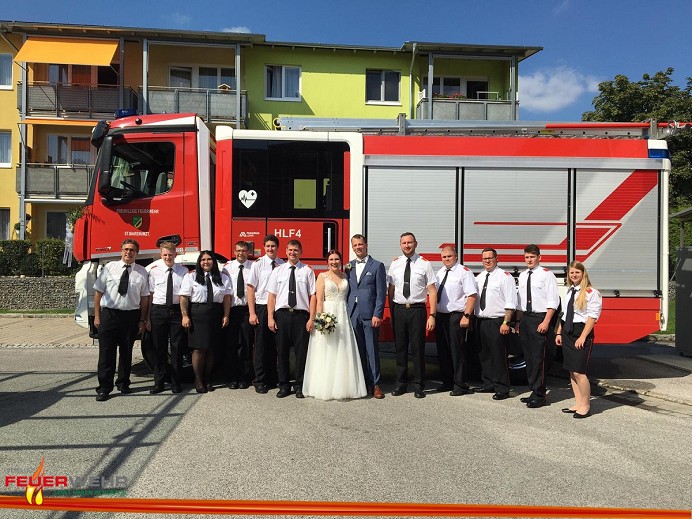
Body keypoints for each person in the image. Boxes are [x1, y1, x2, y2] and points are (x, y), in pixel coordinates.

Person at [304, 250, 368, 400]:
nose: (334, 262)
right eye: (331, 259)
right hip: (328, 313)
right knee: (327, 348)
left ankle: (344, 386)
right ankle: (325, 386)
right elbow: (319, 299)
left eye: (337, 259)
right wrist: (320, 319)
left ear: (341, 261)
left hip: (343, 314)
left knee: (344, 348)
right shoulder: (322, 277)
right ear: (327, 262)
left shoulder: (347, 275)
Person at [93, 239, 150, 402]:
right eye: (125, 249)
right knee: (106, 353)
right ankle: (104, 387)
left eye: (132, 250)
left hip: (130, 316)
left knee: (126, 352)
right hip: (110, 315)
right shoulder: (109, 268)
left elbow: (145, 298)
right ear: (121, 251)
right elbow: (98, 293)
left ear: (136, 253)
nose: (128, 252)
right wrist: (97, 316)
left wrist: (142, 320)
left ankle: (123, 383)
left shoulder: (142, 272)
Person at [387, 232, 437, 399]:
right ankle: (401, 383)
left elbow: (432, 291)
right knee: (400, 348)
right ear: (400, 245)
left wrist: (432, 315)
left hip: (417, 309)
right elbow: (391, 290)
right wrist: (392, 312)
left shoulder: (425, 264)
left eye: (410, 242)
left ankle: (418, 384)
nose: (407, 245)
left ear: (416, 244)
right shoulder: (395, 264)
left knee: (417, 348)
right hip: (399, 309)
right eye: (404, 243)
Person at [267, 239, 316, 398]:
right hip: (282, 316)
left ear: (301, 252)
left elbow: (313, 296)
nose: (293, 253)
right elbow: (272, 296)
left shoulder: (307, 271)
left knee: (302, 353)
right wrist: (270, 318)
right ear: (286, 252)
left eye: (296, 250)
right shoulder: (278, 271)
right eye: (290, 250)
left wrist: (311, 318)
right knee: (282, 352)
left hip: (301, 316)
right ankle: (284, 385)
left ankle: (300, 385)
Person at [179, 251, 231, 393]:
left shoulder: (223, 277)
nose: (206, 262)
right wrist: (185, 316)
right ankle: (198, 379)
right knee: (199, 349)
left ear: (213, 261)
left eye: (209, 259)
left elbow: (227, 298)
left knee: (211, 348)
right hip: (197, 314)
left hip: (215, 314)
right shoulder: (191, 276)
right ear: (199, 262)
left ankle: (208, 379)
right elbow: (184, 297)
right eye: (203, 260)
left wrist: (226, 315)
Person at [555, 261, 602, 419]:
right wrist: (559, 333)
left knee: (579, 372)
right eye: (571, 273)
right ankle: (578, 403)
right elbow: (565, 315)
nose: (574, 275)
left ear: (583, 274)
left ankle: (586, 405)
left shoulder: (591, 292)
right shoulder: (570, 291)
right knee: (571, 370)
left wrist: (582, 337)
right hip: (568, 332)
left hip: (581, 332)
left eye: (577, 272)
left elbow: (592, 317)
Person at [516, 244, 559, 408]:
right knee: (528, 357)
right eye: (527, 257)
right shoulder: (523, 275)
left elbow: (552, 300)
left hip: (540, 318)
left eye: (532, 257)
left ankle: (540, 395)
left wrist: (546, 321)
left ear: (539, 258)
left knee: (538, 358)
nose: (529, 260)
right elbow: (520, 302)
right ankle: (534, 390)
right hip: (526, 318)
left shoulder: (547, 275)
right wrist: (519, 321)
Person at [346, 234, 387, 399]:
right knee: (358, 350)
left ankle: (376, 384)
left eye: (360, 244)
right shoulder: (349, 267)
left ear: (366, 245)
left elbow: (380, 293)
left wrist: (378, 314)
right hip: (353, 313)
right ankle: (362, 383)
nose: (358, 247)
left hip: (370, 314)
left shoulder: (377, 266)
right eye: (355, 245)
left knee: (371, 350)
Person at [473, 247, 517, 400]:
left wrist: (506, 322)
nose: (487, 261)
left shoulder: (505, 277)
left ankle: (502, 388)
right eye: (484, 258)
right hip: (482, 321)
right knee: (484, 354)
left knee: (499, 356)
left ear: (497, 258)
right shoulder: (479, 277)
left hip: (498, 321)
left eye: (490, 258)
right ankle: (488, 384)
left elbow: (511, 302)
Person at [435, 246, 477, 396]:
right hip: (441, 316)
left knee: (457, 351)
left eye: (449, 256)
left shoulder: (464, 272)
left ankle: (461, 384)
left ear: (456, 256)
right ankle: (447, 382)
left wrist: (467, 316)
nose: (446, 259)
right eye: (444, 257)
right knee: (444, 351)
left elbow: (472, 295)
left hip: (456, 316)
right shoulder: (440, 273)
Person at [147, 241, 189, 394]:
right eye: (165, 255)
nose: (167, 257)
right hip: (158, 311)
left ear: (175, 255)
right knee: (159, 348)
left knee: (177, 348)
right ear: (161, 255)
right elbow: (150, 294)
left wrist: (185, 315)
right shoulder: (154, 271)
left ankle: (176, 383)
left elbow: (184, 295)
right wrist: (147, 318)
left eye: (170, 254)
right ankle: (159, 383)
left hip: (176, 311)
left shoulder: (183, 271)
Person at [247, 235, 284, 394]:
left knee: (274, 345)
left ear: (277, 247)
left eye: (273, 246)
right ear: (264, 247)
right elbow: (250, 289)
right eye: (267, 246)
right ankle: (260, 380)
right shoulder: (258, 265)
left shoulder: (282, 264)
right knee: (261, 345)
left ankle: (272, 377)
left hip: (278, 308)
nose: (270, 249)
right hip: (262, 306)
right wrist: (252, 312)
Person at [222, 241, 254, 389]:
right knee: (231, 345)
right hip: (232, 310)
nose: (241, 253)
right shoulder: (227, 268)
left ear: (248, 252)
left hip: (247, 310)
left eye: (244, 250)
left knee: (246, 345)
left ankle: (244, 377)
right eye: (238, 250)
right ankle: (231, 377)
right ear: (234, 252)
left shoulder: (254, 267)